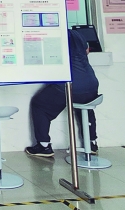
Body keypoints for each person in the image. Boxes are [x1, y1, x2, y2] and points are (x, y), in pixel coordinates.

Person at [25, 29, 100, 158]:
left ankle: (43, 145)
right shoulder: (77, 34)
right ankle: (92, 143)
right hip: (91, 83)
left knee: (39, 104)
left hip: (68, 84)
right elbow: (87, 51)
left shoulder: (52, 34)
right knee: (85, 107)